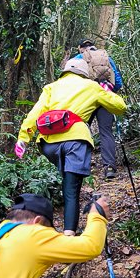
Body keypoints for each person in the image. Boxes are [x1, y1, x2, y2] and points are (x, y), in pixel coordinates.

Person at [15, 58, 125, 234]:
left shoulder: (51, 87)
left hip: (48, 144)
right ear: (84, 73)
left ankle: (56, 228)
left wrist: (23, 138)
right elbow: (120, 107)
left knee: (68, 183)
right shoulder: (91, 86)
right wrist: (105, 90)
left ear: (65, 71)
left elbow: (34, 114)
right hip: (76, 141)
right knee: (71, 189)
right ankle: (69, 234)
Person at [75, 39, 124, 180]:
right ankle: (109, 167)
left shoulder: (78, 59)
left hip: (86, 100)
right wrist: (108, 90)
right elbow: (118, 81)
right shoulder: (106, 57)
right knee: (106, 132)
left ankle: (80, 167)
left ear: (81, 48)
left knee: (81, 129)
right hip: (105, 97)